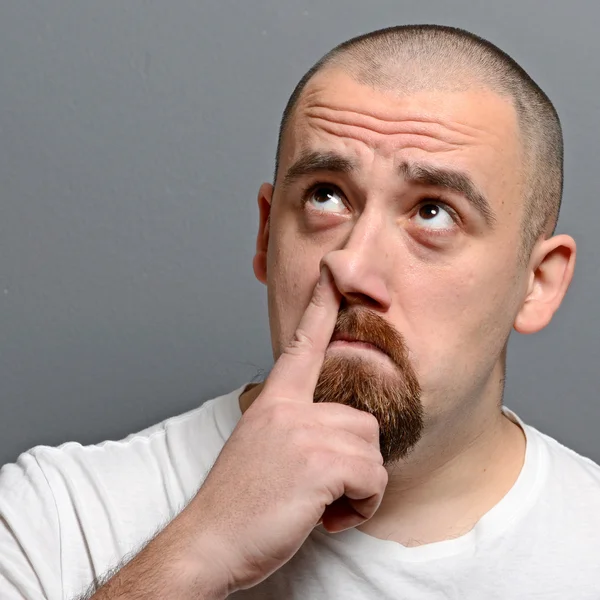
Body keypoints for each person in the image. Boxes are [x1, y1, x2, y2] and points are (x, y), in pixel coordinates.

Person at [1, 23, 599, 600]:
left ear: (537, 282)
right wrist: (196, 555)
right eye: (326, 196)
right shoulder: (55, 519)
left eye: (433, 212)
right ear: (266, 235)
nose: (352, 267)